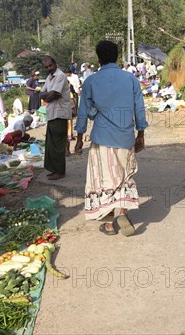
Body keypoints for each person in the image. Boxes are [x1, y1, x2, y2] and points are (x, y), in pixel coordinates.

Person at [75, 40, 148, 236]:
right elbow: (139, 109)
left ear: (99, 58)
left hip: (102, 138)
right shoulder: (130, 79)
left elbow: (83, 112)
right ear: (116, 56)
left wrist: (80, 138)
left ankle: (108, 223)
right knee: (124, 176)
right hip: (125, 136)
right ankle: (122, 212)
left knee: (103, 179)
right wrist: (140, 134)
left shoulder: (91, 81)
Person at [40, 56, 72, 180]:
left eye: (50, 66)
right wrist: (48, 95)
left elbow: (53, 95)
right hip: (52, 114)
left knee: (58, 144)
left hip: (60, 114)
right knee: (51, 144)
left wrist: (48, 95)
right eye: (46, 67)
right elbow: (42, 94)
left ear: (55, 64)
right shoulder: (49, 77)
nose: (49, 68)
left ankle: (60, 171)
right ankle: (54, 169)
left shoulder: (60, 76)